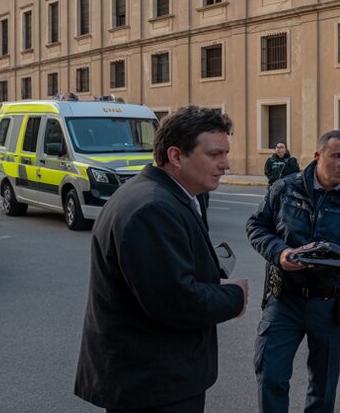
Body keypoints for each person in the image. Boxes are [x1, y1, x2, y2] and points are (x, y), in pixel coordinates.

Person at [75, 106, 248, 413]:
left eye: (225, 154)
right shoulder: (152, 207)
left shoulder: (170, 195)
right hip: (153, 385)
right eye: (214, 155)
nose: (226, 164)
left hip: (158, 379)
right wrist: (234, 296)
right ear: (176, 156)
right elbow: (174, 301)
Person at [247, 130, 340, 413]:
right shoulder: (285, 188)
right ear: (317, 157)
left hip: (331, 304)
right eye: (337, 156)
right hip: (284, 300)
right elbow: (256, 227)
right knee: (271, 376)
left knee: (323, 387)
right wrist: (281, 253)